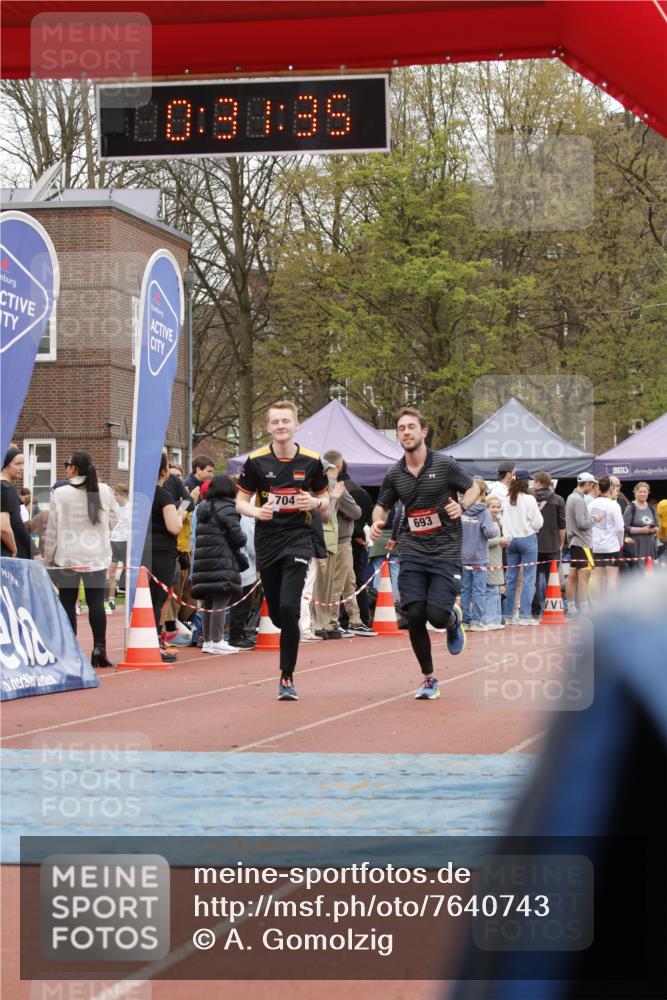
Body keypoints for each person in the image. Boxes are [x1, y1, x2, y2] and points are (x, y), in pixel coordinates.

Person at [370, 407, 480, 701]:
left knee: (437, 616)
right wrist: (376, 520)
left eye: (411, 427)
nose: (406, 432)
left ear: (423, 432)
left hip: (445, 550)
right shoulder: (395, 473)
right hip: (413, 549)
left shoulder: (444, 464)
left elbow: (474, 488)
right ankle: (429, 678)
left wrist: (463, 506)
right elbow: (382, 505)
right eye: (401, 428)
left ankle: (453, 619)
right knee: (414, 615)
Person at [236, 400, 330, 700]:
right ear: (268, 427)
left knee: (290, 608)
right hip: (267, 540)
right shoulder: (256, 461)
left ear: (296, 425)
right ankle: (283, 624)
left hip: (298, 538)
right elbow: (240, 501)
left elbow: (326, 502)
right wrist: (256, 512)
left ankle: (286, 676)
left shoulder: (313, 462)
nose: (280, 427)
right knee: (278, 615)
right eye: (275, 422)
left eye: (285, 421)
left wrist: (314, 504)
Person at [43, 451, 118, 668]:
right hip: (96, 555)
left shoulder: (60, 493)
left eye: (67, 465)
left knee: (68, 602)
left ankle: (70, 649)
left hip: (68, 555)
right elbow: (114, 518)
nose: (65, 468)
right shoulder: (104, 490)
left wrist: (49, 556)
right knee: (96, 602)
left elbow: (53, 528)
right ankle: (99, 648)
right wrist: (102, 534)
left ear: (73, 468)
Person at [322, 450, 376, 637]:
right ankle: (331, 622)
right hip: (340, 540)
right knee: (338, 583)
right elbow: (356, 512)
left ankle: (355, 620)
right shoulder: (336, 486)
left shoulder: (320, 485)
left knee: (349, 582)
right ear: (339, 465)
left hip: (334, 539)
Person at [191, 473, 246, 655]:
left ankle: (207, 640)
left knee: (208, 601)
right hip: (223, 559)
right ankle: (218, 639)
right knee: (221, 600)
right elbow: (238, 538)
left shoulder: (203, 509)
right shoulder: (229, 508)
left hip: (204, 560)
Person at [142, 451, 188, 663]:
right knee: (158, 598)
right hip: (162, 552)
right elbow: (174, 527)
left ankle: (143, 638)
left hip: (141, 551)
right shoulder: (163, 496)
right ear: (164, 471)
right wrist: (181, 514)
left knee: (143, 598)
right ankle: (153, 640)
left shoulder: (139, 494)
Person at [501, 469, 544, 625]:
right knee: (528, 578)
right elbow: (539, 522)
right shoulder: (529, 499)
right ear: (526, 482)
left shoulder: (507, 499)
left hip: (510, 539)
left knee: (511, 577)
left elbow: (502, 520)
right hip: (527, 538)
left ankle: (508, 614)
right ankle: (525, 616)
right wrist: (533, 526)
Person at [461, 479, 498, 631]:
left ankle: (464, 619)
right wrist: (496, 529)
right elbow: (489, 532)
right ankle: (476, 620)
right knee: (479, 589)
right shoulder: (484, 512)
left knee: (465, 589)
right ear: (483, 494)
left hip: (463, 554)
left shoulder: (460, 510)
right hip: (479, 555)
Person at [532, 471, 566, 618]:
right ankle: (550, 608)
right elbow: (562, 525)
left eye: (534, 482)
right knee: (551, 578)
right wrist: (561, 543)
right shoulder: (558, 500)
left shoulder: (530, 499)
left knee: (531, 579)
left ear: (539, 483)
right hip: (552, 543)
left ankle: (534, 610)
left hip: (533, 544)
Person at [565, 471, 597, 616]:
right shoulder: (578, 500)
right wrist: (595, 519)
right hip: (582, 542)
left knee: (573, 575)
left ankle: (572, 607)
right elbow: (582, 523)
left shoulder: (572, 497)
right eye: (593, 484)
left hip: (575, 542)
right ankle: (584, 608)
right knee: (584, 577)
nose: (594, 486)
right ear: (588, 484)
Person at [589, 475, 625, 596]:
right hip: (612, 547)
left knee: (597, 578)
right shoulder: (614, 505)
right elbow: (620, 528)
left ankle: (596, 606)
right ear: (611, 488)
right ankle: (611, 607)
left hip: (596, 546)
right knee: (612, 579)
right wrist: (620, 543)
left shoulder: (591, 504)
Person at [1, 447, 32, 559]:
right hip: (5, 553)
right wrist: (14, 548)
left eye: (23, 464)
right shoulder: (6, 488)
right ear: (5, 465)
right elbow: (3, 527)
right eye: (18, 464)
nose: (22, 468)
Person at [482, 495, 507, 630]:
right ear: (487, 507)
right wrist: (500, 540)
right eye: (493, 507)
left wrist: (501, 543)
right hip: (489, 561)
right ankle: (489, 619)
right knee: (491, 591)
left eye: (498, 507)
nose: (496, 509)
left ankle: (496, 618)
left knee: (496, 591)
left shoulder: (496, 521)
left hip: (496, 560)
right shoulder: (487, 521)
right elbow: (484, 542)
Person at [623, 481, 658, 568]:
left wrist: (654, 529)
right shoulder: (631, 508)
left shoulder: (651, 508)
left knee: (649, 572)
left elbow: (657, 525)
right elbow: (625, 527)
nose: (642, 494)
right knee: (638, 572)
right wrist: (643, 530)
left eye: (645, 492)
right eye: (640, 491)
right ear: (635, 492)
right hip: (635, 546)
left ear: (648, 493)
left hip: (649, 546)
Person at [106, 483, 129, 613]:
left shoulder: (130, 508)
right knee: (112, 573)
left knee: (128, 573)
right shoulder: (113, 508)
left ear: (122, 495)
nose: (115, 497)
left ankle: (128, 601)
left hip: (125, 543)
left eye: (116, 494)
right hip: (114, 542)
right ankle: (111, 601)